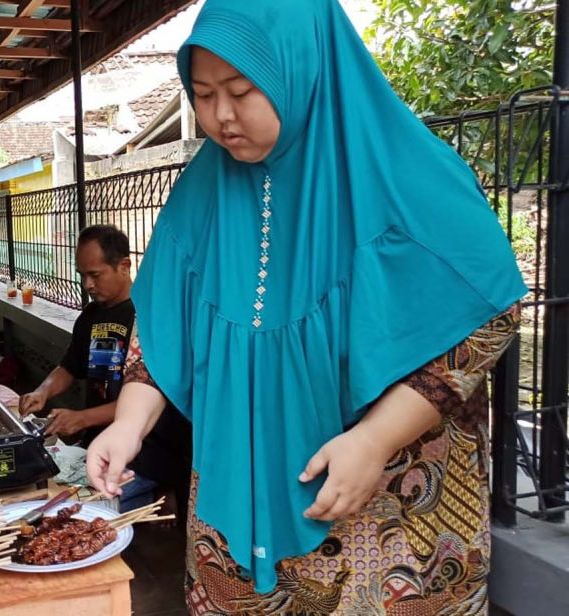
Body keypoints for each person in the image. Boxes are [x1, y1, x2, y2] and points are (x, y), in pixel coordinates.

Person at [86, 1, 526, 613]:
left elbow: (487, 317)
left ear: (303, 68)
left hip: (385, 515)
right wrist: (128, 425)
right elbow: (161, 331)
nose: (220, 116)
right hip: (234, 512)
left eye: (241, 90)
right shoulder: (200, 195)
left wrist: (373, 441)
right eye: (203, 94)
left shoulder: (406, 175)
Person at [19, 225, 192, 513]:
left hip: (144, 454)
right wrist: (42, 392)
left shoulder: (148, 317)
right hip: (95, 444)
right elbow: (69, 367)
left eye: (95, 275)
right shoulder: (91, 315)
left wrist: (82, 418)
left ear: (124, 266)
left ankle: (154, 498)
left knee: (84, 514)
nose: (87, 284)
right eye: (82, 275)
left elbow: (147, 396)